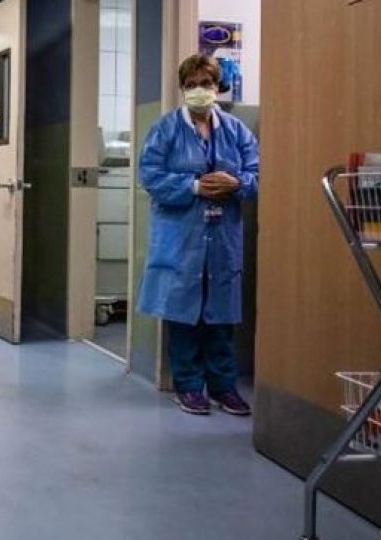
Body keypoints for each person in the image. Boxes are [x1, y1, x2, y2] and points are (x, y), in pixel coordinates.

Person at [136, 54, 259, 416]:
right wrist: (193, 186)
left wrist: (236, 183)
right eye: (191, 85)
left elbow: (258, 175)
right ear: (182, 89)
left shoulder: (236, 131)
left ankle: (224, 387)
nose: (199, 91)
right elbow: (150, 176)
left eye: (206, 84)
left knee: (220, 316)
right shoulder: (165, 130)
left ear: (217, 87)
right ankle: (188, 385)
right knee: (183, 312)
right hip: (180, 237)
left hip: (223, 238)